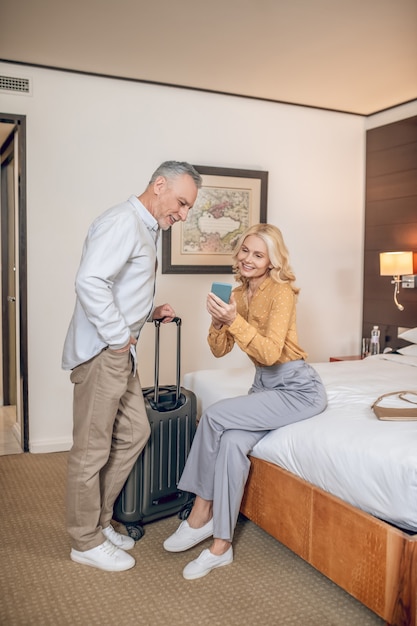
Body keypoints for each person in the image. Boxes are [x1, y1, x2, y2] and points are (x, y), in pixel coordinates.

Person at [163, 223, 327, 579]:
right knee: (233, 442)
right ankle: (221, 544)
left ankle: (200, 513)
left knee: (215, 417)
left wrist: (234, 320)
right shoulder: (236, 291)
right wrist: (219, 321)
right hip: (264, 387)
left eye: (258, 254)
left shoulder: (282, 292)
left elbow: (269, 353)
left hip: (297, 389)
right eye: (245, 251)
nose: (248, 259)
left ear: (272, 261)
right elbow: (219, 350)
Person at [62, 161, 202, 572]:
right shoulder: (122, 221)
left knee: (135, 432)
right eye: (181, 202)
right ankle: (83, 541)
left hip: (119, 351)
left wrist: (148, 312)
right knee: (90, 451)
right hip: (105, 353)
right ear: (159, 185)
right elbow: (90, 281)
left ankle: (100, 521)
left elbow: (120, 287)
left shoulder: (144, 227)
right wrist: (121, 336)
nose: (184, 214)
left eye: (189, 207)